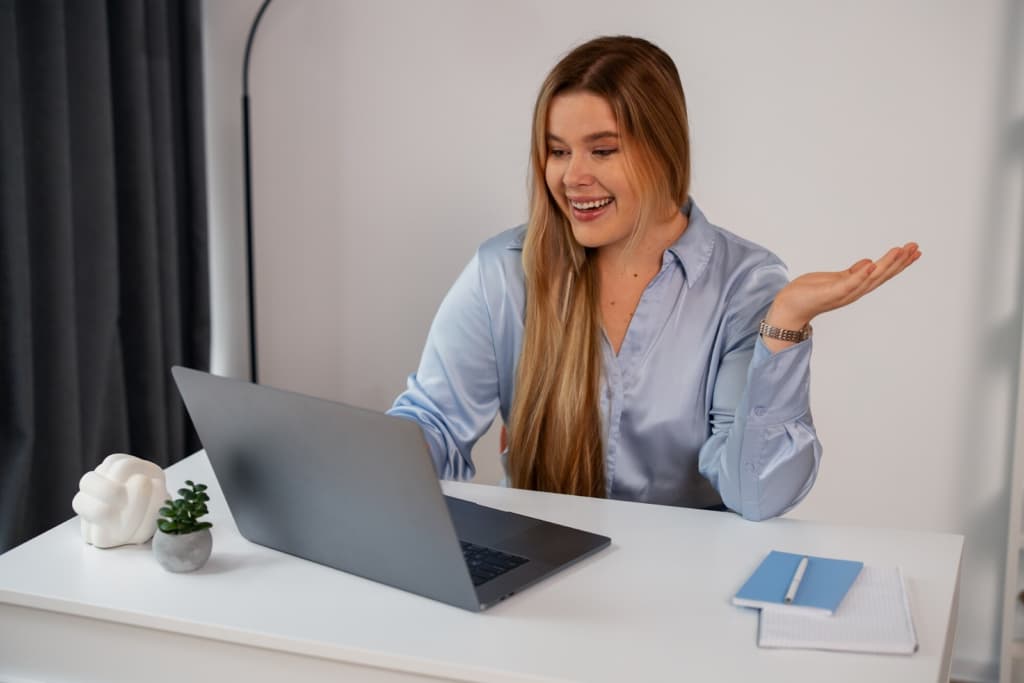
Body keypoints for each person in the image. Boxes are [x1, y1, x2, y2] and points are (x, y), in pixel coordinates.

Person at [388, 35, 919, 521]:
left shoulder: (746, 284)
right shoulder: (503, 271)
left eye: (602, 149)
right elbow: (433, 421)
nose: (573, 177)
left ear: (663, 149)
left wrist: (787, 324)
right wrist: (361, 471)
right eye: (557, 151)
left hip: (682, 592)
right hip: (535, 570)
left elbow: (757, 493)